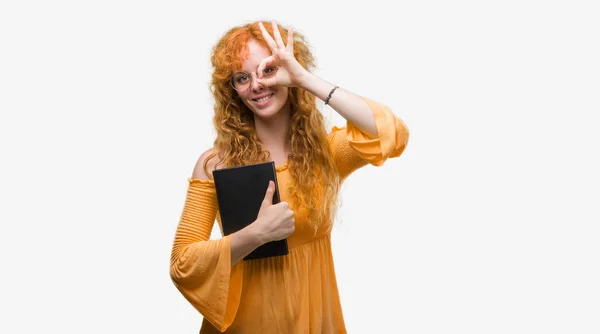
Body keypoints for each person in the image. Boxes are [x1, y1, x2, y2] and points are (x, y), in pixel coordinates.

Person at [169, 20, 410, 334]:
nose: (256, 85)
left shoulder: (326, 153)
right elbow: (182, 264)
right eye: (242, 77)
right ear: (233, 90)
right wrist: (255, 234)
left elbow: (393, 133)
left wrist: (304, 78)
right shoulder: (217, 164)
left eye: (268, 70)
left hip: (314, 320)